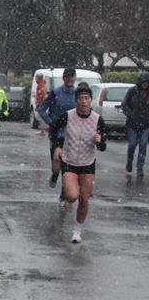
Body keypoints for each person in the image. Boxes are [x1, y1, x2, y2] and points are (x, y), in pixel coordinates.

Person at [50, 82, 106, 243]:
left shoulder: (98, 120)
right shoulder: (68, 116)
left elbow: (103, 147)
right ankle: (65, 194)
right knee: (72, 196)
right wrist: (58, 146)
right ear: (76, 101)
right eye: (80, 98)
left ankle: (77, 231)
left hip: (88, 163)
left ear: (91, 100)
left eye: (86, 98)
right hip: (70, 161)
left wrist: (99, 142)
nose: (83, 101)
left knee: (84, 199)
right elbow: (53, 129)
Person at [37, 67, 78, 187]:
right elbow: (41, 109)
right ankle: (55, 174)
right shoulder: (56, 92)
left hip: (72, 132)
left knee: (69, 164)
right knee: (56, 161)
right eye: (67, 77)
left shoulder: (78, 94)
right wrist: (51, 122)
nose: (69, 79)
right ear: (63, 78)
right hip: (56, 132)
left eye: (72, 77)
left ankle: (65, 189)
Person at [119, 71, 149, 176]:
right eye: (143, 82)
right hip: (132, 124)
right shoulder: (132, 91)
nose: (145, 84)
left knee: (143, 145)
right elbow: (124, 104)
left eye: (147, 82)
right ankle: (129, 161)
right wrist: (131, 115)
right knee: (132, 144)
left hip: (146, 124)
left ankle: (140, 168)